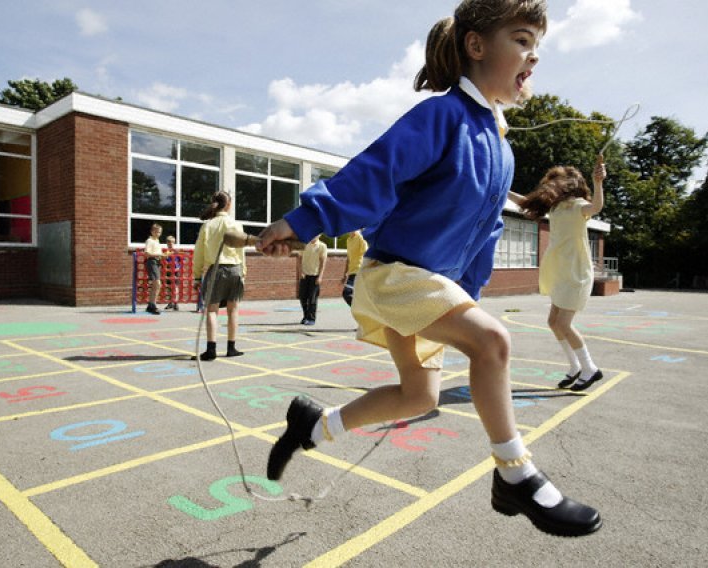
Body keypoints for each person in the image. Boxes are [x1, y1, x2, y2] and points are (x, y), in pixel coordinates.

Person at [257, 0, 601, 537]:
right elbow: (377, 171)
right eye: (521, 39)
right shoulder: (442, 115)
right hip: (395, 275)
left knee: (419, 397)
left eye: (537, 45)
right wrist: (305, 220)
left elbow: (483, 236)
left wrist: (465, 296)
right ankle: (515, 473)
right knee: (493, 343)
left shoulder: (502, 150)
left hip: (431, 287)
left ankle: (313, 426)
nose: (533, 56)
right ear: (476, 46)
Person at [508, 155, 607, 392]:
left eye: (557, 181)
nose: (551, 184)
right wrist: (504, 189)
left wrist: (599, 182)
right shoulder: (556, 206)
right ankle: (575, 367)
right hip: (561, 272)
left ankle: (590, 368)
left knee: (564, 323)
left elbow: (596, 207)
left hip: (576, 273)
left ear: (570, 184)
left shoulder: (579, 206)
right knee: (553, 322)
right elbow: (525, 202)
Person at [192, 191, 247, 360]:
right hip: (235, 269)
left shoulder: (208, 226)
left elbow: (199, 253)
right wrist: (243, 271)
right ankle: (231, 347)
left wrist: (197, 276)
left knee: (212, 310)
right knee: (233, 310)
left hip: (215, 270)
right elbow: (241, 250)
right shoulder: (236, 224)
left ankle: (211, 349)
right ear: (228, 204)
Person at [297, 234, 327, 325]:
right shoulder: (304, 244)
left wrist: (320, 276)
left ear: (320, 235)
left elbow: (323, 262)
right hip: (305, 275)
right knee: (302, 297)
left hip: (315, 275)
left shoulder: (322, 246)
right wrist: (300, 272)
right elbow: (299, 258)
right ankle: (306, 316)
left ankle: (311, 318)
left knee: (312, 298)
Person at [342, 229, 368, 306]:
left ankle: (361, 310)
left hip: (359, 271)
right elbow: (349, 258)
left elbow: (366, 253)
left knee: (347, 293)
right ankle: (362, 311)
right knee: (355, 295)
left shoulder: (360, 237)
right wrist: (345, 273)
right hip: (352, 272)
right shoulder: (348, 240)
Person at [144, 223, 165, 315]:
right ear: (152, 232)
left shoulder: (157, 241)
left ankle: (151, 304)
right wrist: (159, 255)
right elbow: (147, 254)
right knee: (157, 283)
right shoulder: (150, 240)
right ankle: (153, 305)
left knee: (156, 285)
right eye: (156, 232)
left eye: (159, 232)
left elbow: (158, 253)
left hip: (157, 262)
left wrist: (163, 255)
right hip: (152, 262)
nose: (158, 234)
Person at [164, 235, 181, 311]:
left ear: (174, 243)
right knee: (169, 287)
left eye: (172, 242)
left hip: (175, 271)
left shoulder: (176, 251)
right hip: (168, 271)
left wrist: (178, 267)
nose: (170, 244)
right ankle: (170, 302)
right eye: (169, 242)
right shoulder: (166, 252)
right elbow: (165, 261)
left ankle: (176, 303)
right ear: (167, 243)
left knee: (176, 287)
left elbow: (180, 261)